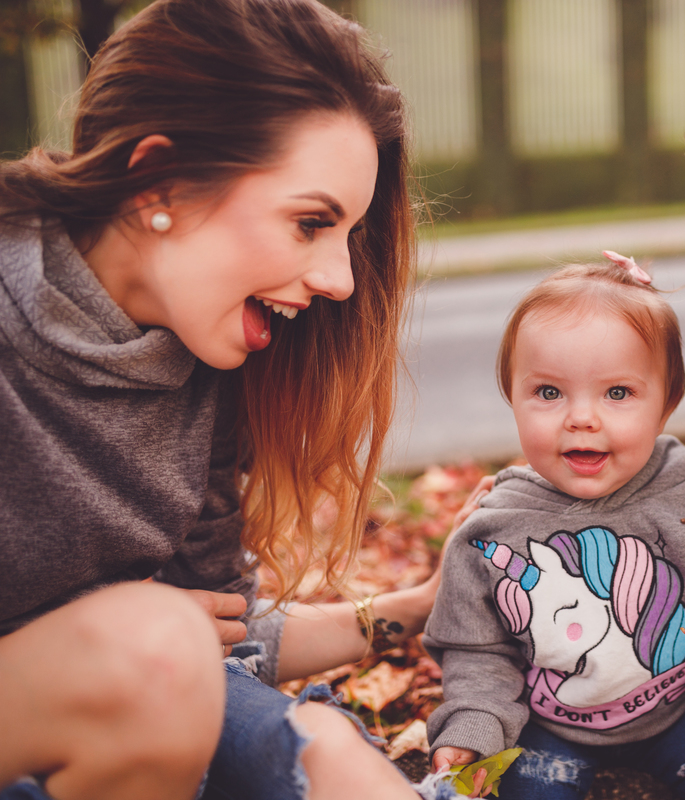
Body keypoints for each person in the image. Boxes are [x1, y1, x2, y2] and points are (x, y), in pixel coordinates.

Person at [0, 1, 481, 798]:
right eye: (310, 223)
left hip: (129, 726)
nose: (340, 281)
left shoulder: (206, 372)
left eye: (348, 236)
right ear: (160, 179)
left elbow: (210, 643)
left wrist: (413, 609)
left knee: (326, 752)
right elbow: (160, 654)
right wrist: (126, 638)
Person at [422, 256, 685, 799]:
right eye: (549, 393)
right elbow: (477, 651)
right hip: (548, 726)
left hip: (684, 707)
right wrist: (472, 726)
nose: (581, 418)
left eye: (617, 393)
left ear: (666, 404)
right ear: (512, 398)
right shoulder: (493, 531)